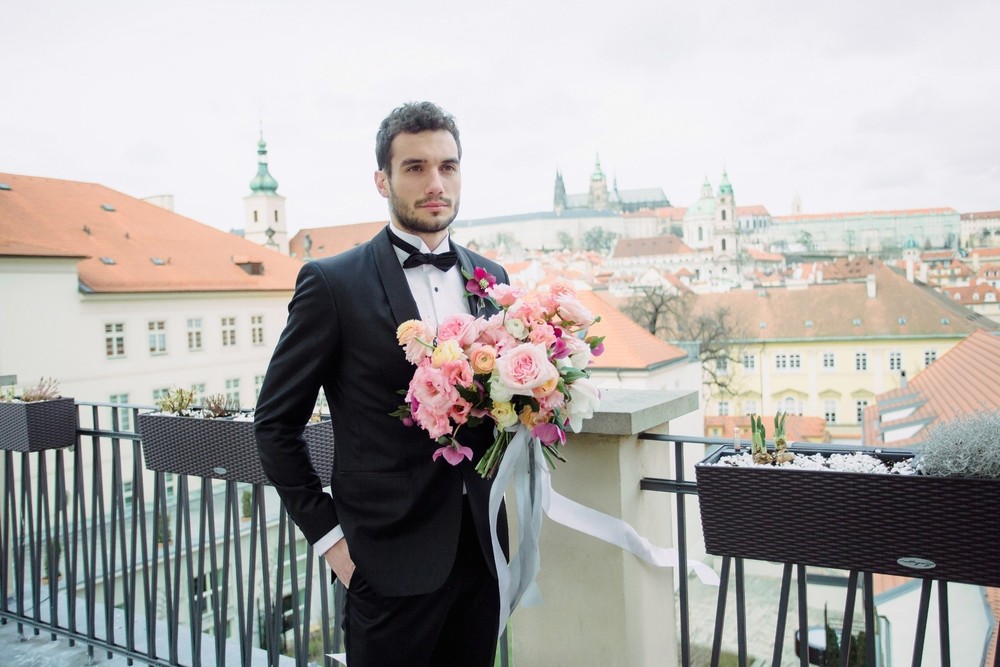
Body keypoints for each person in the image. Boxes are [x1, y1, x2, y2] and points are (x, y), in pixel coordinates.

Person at [255, 101, 509, 666]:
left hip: (483, 557)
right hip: (384, 565)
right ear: (382, 180)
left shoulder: (492, 278)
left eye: (448, 166)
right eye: (415, 167)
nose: (435, 182)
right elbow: (275, 426)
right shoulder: (331, 283)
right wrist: (332, 544)